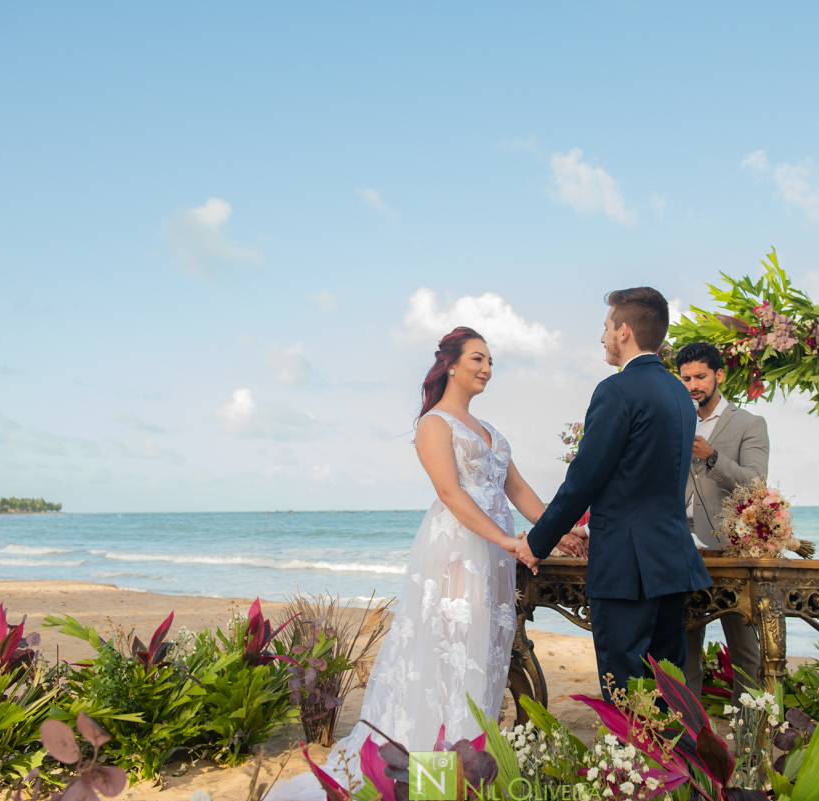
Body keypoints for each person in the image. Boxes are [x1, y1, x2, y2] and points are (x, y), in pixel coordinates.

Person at [268, 327, 584, 800]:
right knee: (451, 655)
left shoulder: (491, 431)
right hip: (458, 552)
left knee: (485, 652)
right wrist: (507, 540)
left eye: (491, 361)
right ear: (450, 365)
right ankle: (436, 767)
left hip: (495, 558)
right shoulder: (434, 424)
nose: (487, 369)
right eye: (477, 358)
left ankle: (467, 765)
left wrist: (558, 532)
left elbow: (518, 491)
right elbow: (450, 493)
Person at [518, 288, 711, 697]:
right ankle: (674, 743)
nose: (602, 337)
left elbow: (584, 479)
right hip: (671, 560)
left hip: (627, 566)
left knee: (623, 689)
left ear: (624, 331)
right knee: (669, 689)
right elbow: (643, 480)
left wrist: (537, 542)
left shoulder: (617, 390)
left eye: (606, 327)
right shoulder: (679, 392)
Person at [675, 341, 769, 704]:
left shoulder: (749, 423)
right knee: (684, 646)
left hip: (728, 547)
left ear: (719, 375)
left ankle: (748, 727)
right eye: (686, 379)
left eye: (700, 377)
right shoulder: (677, 422)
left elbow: (757, 485)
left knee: (743, 645)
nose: (693, 385)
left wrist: (713, 457)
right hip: (680, 543)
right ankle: (687, 728)